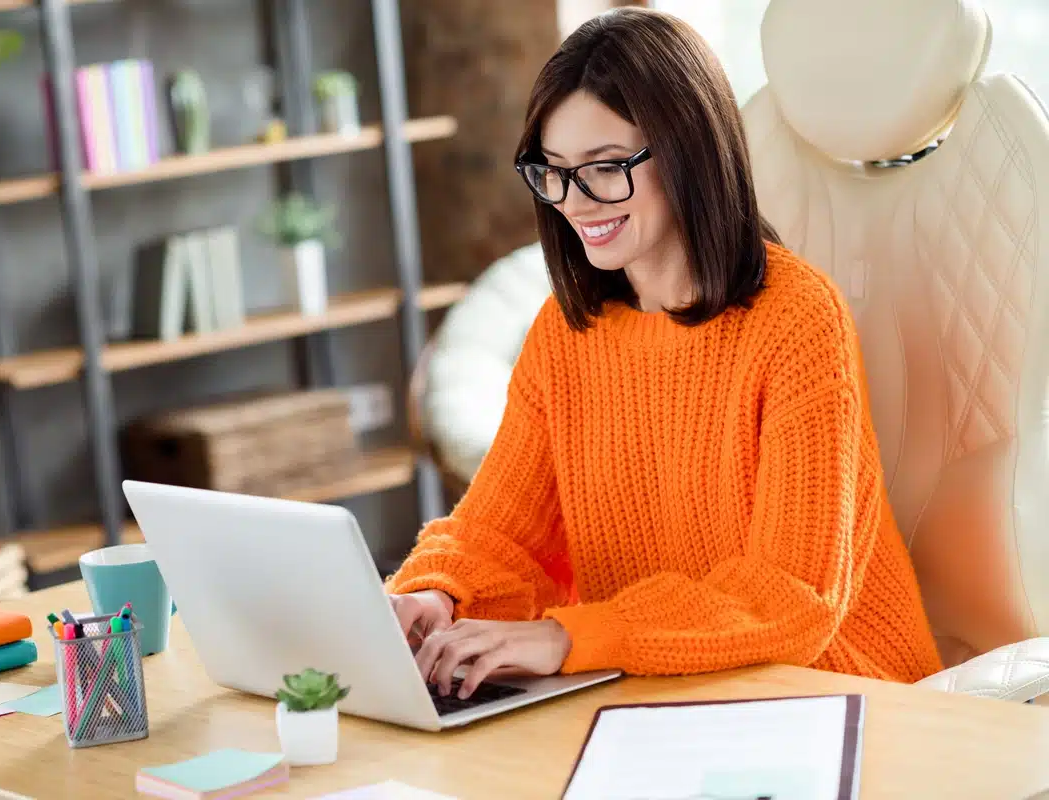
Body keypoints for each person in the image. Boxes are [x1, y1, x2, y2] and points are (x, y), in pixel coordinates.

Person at [386, 6, 944, 700]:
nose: (576, 202)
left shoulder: (798, 320)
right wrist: (433, 596)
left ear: (688, 151)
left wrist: (568, 636)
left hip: (834, 695)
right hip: (657, 695)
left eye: (605, 168)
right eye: (553, 171)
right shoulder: (564, 337)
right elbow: (499, 532)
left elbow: (790, 596)